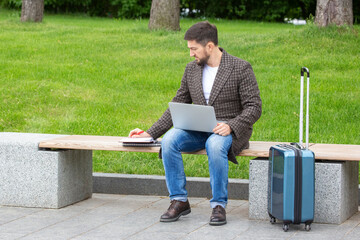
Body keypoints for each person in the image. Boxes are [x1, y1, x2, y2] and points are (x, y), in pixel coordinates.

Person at [129, 21, 262, 226]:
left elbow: (254, 107)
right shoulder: (192, 69)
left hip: (228, 130)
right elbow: (178, 103)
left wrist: (231, 126)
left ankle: (219, 205)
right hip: (199, 128)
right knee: (170, 139)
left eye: (194, 49)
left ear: (210, 46)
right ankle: (179, 201)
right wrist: (150, 133)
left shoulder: (240, 67)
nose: (191, 54)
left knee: (214, 144)